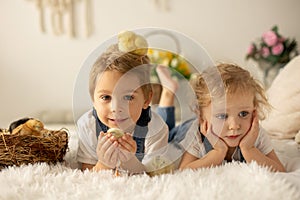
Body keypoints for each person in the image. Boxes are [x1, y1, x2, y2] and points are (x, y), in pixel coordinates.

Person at [76, 31, 169, 174]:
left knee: (177, 132)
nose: (116, 108)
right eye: (106, 97)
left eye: (128, 97)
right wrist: (104, 164)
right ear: (93, 100)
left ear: (147, 100)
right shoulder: (88, 126)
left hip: (159, 125)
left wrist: (129, 161)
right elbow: (87, 172)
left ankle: (168, 95)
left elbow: (152, 175)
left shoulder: (156, 128)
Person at [176, 63, 286, 172]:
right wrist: (218, 152)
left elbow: (280, 170)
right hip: (185, 128)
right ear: (201, 117)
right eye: (222, 116)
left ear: (254, 111)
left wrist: (249, 149)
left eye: (243, 113)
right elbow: (183, 171)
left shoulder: (256, 134)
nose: (234, 126)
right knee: (170, 130)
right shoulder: (197, 135)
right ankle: (167, 98)